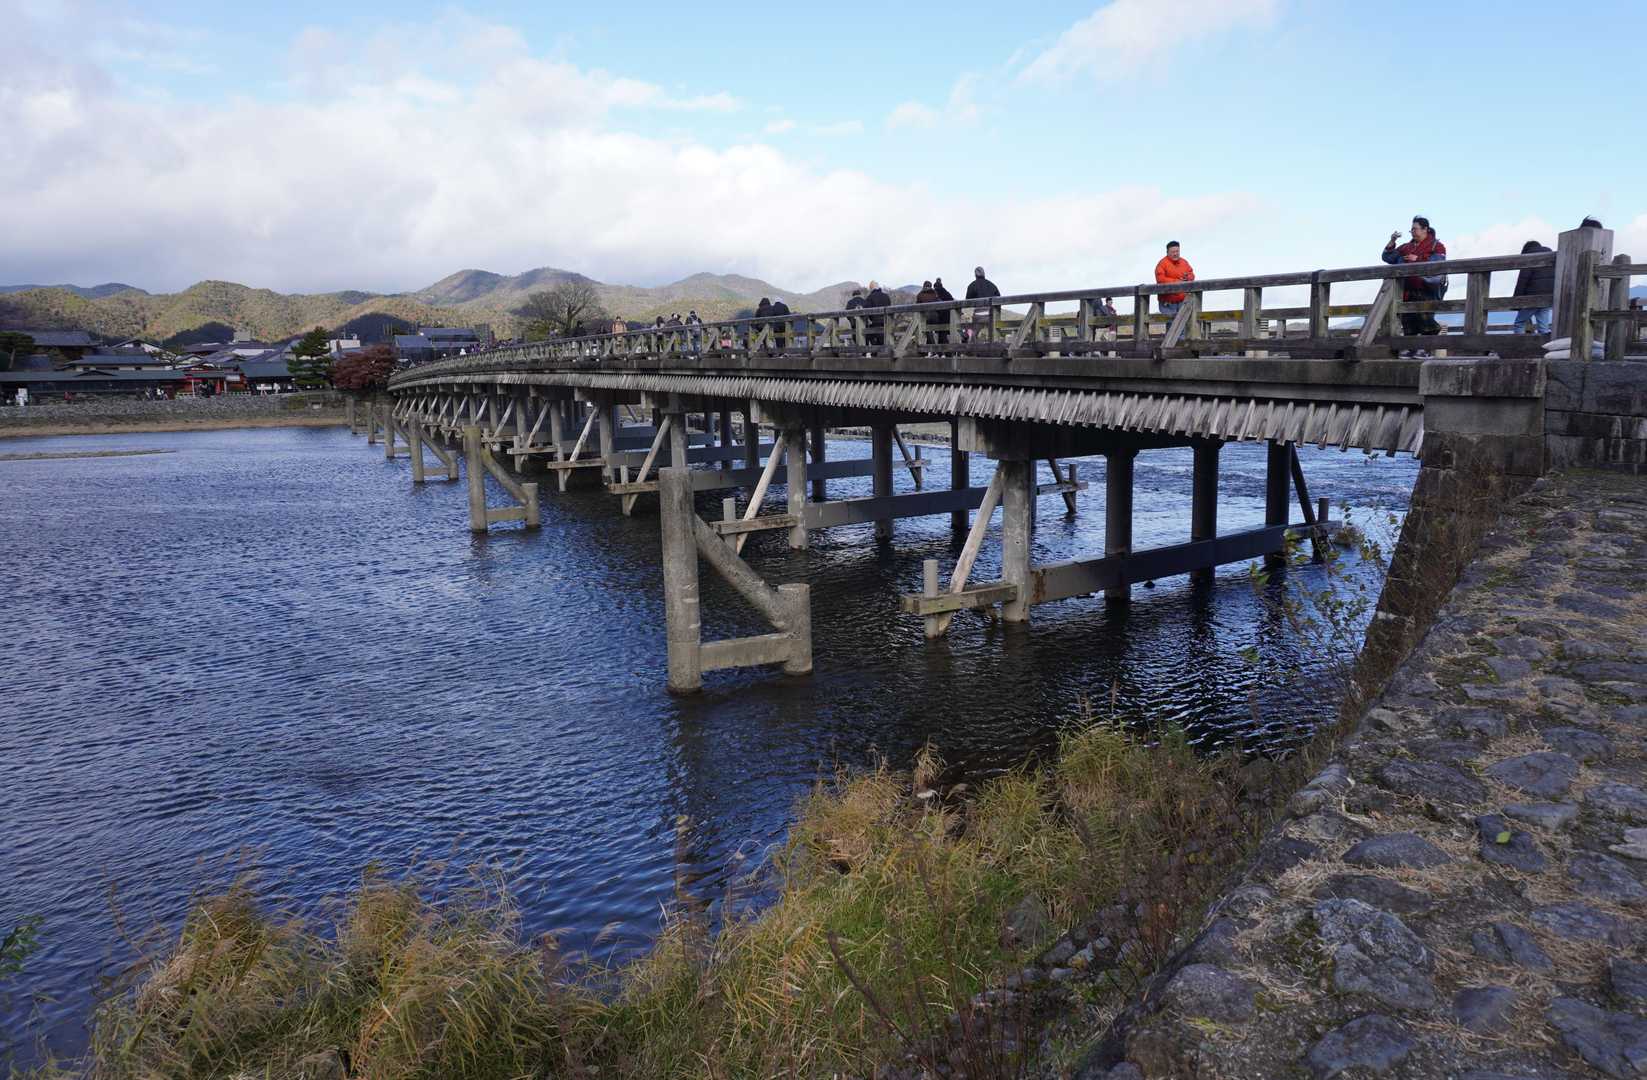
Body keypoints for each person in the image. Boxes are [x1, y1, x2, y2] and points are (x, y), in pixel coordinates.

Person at [1382, 216, 1448, 342]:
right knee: (1408, 323)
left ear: (1425, 229)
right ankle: (1412, 349)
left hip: (1427, 289)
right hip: (1406, 290)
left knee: (1426, 321)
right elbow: (1387, 257)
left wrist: (1417, 259)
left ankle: (1427, 346)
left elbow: (1438, 264)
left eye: (1415, 229)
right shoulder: (1406, 247)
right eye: (1411, 229)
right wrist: (1392, 241)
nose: (1412, 232)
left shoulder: (1437, 246)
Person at [1513, 239, 1554, 335]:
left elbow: (1522, 281)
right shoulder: (1551, 256)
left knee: (1519, 324)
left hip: (1532, 297)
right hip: (1548, 296)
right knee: (1543, 328)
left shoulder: (1529, 258)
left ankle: (1519, 344)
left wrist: (1516, 301)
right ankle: (1545, 344)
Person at [1154, 242, 1194, 316]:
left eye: (1177, 251)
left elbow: (1191, 274)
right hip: (1168, 303)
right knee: (1171, 323)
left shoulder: (1184, 262)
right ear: (1167, 252)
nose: (1175, 254)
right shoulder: (1162, 264)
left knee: (1185, 322)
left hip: (1183, 301)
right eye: (1173, 252)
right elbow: (1160, 279)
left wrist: (1188, 277)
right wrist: (1177, 282)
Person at [965, 266, 1000, 341]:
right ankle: (993, 344)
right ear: (984, 274)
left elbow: (967, 303)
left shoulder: (972, 286)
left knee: (974, 333)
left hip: (978, 315)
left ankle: (974, 344)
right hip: (991, 315)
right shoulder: (993, 286)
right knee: (992, 335)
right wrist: (997, 316)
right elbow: (999, 302)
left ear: (975, 275)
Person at [863, 281, 890, 347]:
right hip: (887, 322)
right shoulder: (886, 296)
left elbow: (866, 311)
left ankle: (874, 350)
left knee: (867, 334)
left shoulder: (870, 297)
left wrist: (870, 319)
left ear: (871, 288)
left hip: (876, 323)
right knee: (884, 340)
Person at [915, 280, 940, 344]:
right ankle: (931, 347)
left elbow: (917, 306)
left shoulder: (920, 295)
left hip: (926, 316)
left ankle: (933, 346)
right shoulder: (935, 294)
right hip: (935, 316)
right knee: (932, 330)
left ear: (923, 286)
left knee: (927, 330)